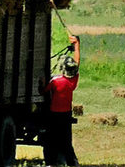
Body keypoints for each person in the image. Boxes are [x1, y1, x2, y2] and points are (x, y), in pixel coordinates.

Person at [41, 37, 80, 165]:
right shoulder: (72, 82)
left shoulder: (55, 82)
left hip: (54, 115)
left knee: (50, 139)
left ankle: (50, 162)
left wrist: (41, 81)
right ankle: (71, 162)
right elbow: (77, 63)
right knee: (66, 141)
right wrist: (77, 46)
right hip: (66, 115)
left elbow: (44, 90)